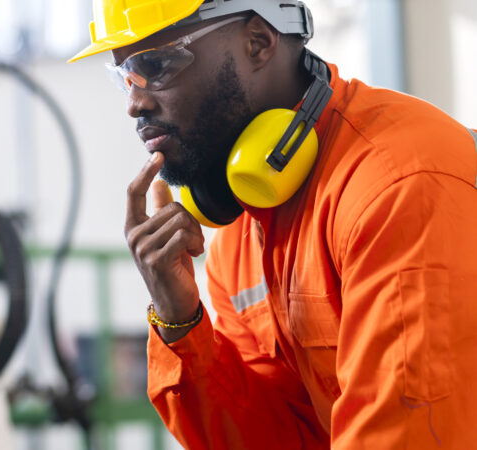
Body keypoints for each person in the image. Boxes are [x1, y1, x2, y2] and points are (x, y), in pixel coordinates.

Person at [70, 0, 477, 448]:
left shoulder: (399, 186)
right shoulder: (238, 236)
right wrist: (180, 322)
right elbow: (280, 439)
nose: (135, 103)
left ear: (258, 41)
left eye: (157, 64)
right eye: (124, 75)